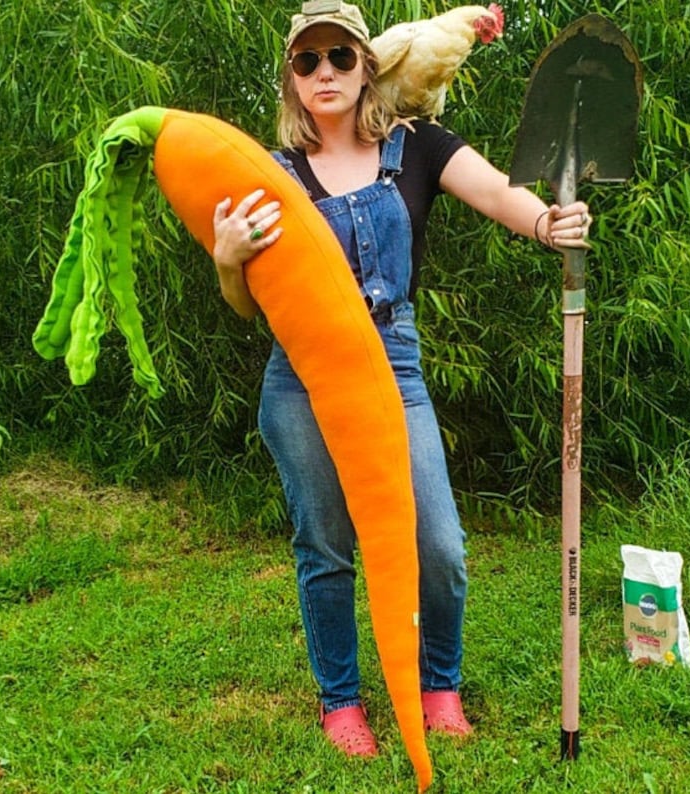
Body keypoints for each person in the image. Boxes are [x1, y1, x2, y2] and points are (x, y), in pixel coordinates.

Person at [211, 0, 592, 758]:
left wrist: (549, 224)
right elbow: (246, 306)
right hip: (302, 379)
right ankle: (341, 702)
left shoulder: (415, 146)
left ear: (366, 66)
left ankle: (438, 684)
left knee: (440, 543)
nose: (325, 72)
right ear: (291, 79)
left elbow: (494, 192)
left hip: (394, 364)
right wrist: (227, 258)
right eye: (307, 61)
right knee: (325, 543)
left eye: (340, 58)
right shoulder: (271, 173)